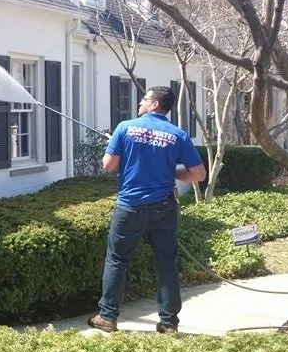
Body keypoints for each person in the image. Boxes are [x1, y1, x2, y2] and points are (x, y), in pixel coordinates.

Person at [88, 86, 206, 334]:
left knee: (117, 260)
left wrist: (118, 149)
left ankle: (107, 317)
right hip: (164, 208)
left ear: (154, 105)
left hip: (130, 207)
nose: (140, 104)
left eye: (144, 100)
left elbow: (109, 165)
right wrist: (171, 171)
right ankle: (168, 322)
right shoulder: (178, 135)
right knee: (166, 264)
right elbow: (198, 174)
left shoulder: (125, 128)